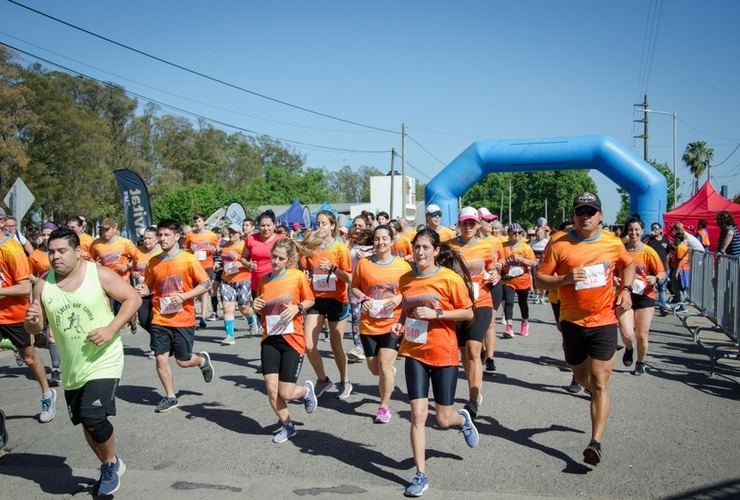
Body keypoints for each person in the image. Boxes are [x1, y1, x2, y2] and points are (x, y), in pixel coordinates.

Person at [24, 227, 141, 495]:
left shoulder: (97, 273)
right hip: (72, 366)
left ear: (77, 252)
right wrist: (31, 322)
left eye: (61, 251)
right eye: (50, 251)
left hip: (104, 358)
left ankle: (109, 465)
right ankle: (110, 462)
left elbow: (132, 298)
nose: (55, 257)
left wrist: (111, 329)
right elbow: (35, 329)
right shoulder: (43, 285)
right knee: (85, 421)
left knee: (93, 415)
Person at [537, 192, 635, 466]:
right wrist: (565, 278)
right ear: (573, 215)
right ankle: (592, 393)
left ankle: (595, 443)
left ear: (600, 215)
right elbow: (540, 281)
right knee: (582, 379)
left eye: (591, 211)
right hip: (572, 322)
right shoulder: (560, 244)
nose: (586, 216)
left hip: (604, 321)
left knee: (601, 382)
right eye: (581, 211)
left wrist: (626, 289)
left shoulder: (613, 243)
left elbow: (629, 264)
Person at [391, 229, 479, 496]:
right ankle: (420, 474)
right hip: (414, 352)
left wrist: (437, 313)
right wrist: (399, 325)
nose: (420, 252)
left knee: (442, 419)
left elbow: (468, 313)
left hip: (444, 354)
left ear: (436, 250)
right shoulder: (406, 278)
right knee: (418, 415)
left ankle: (461, 419)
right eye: (417, 247)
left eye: (426, 247)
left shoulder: (449, 278)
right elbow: (407, 310)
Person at [134, 219, 215, 413]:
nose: (162, 239)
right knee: (160, 358)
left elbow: (206, 284)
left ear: (177, 236)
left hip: (183, 318)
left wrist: (184, 296)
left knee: (183, 360)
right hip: (160, 317)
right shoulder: (153, 262)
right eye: (160, 235)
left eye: (166, 235)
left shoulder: (188, 259)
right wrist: (144, 289)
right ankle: (170, 396)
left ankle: (202, 361)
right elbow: (151, 286)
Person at [252, 238, 317, 443]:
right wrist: (256, 305)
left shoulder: (297, 276)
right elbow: (261, 307)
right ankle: (288, 425)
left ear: (289, 260)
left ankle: (306, 391)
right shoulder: (264, 280)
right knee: (271, 388)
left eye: (280, 258)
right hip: (270, 337)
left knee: (286, 393)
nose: (275, 261)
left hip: (293, 338)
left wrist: (297, 308)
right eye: (273, 257)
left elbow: (310, 300)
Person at [351, 225, 411, 423]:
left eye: (385, 238)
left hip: (393, 324)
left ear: (392, 241)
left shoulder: (403, 266)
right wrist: (363, 299)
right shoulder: (364, 264)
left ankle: (384, 406)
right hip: (369, 324)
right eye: (377, 239)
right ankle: (387, 374)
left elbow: (412, 289)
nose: (381, 242)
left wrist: (400, 297)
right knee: (374, 369)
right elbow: (355, 288)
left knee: (384, 366)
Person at [2, 226, 57, 424]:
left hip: (14, 315)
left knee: (29, 358)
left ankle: (47, 394)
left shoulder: (12, 250)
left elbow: (25, 287)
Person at [299, 210, 353, 399]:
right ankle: (323, 380)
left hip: (337, 300)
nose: (320, 227)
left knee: (335, 344)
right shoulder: (310, 248)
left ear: (332, 226)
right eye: (317, 223)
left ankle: (345, 381)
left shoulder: (340, 249)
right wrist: (305, 275)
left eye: (323, 223)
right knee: (308, 345)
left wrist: (333, 268)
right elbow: (305, 269)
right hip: (316, 299)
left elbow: (349, 277)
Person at [448, 207, 496, 418]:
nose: (468, 227)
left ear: (478, 224)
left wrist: (493, 274)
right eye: (464, 223)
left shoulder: (486, 246)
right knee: (463, 352)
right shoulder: (448, 247)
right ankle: (472, 386)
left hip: (481, 301)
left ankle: (473, 399)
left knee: (474, 350)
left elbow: (492, 269)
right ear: (459, 224)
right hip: (458, 305)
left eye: (472, 223)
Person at [617, 215, 666, 375]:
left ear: (642, 231)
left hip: (645, 295)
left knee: (642, 335)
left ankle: (640, 362)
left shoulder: (648, 251)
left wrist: (655, 278)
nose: (633, 233)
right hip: (625, 294)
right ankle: (629, 348)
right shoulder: (620, 249)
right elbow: (610, 269)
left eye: (637, 230)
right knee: (626, 332)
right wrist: (614, 278)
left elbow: (662, 272)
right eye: (630, 230)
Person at [241, 210, 285, 335]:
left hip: (278, 283)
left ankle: (280, 342)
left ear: (274, 225)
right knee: (263, 316)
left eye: (268, 225)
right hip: (258, 284)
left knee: (278, 316)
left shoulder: (281, 239)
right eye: (262, 225)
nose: (265, 228)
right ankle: (269, 340)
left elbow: (291, 259)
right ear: (257, 226)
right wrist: (248, 264)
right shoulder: (251, 239)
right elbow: (243, 258)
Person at [476, 208, 505, 372]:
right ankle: (479, 351)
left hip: (494, 283)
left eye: (492, 220)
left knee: (491, 323)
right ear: (479, 222)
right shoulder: (471, 241)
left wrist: (499, 265)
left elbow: (501, 258)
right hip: (477, 286)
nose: (492, 223)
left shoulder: (496, 241)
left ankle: (490, 358)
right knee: (478, 321)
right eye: (488, 220)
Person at [182, 214, 220, 328]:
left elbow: (217, 249)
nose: (197, 223)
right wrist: (190, 249)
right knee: (193, 291)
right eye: (196, 221)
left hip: (207, 265)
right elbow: (183, 250)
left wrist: (213, 250)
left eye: (199, 221)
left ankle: (203, 317)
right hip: (193, 266)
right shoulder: (190, 235)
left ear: (204, 222)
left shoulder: (212, 235)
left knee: (204, 290)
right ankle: (191, 314)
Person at [219, 223, 253, 345]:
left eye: (234, 232)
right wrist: (219, 265)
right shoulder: (225, 245)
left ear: (240, 234)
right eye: (230, 231)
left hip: (243, 279)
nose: (231, 234)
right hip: (227, 279)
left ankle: (251, 319)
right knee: (227, 308)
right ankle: (230, 336)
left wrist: (241, 264)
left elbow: (251, 262)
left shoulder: (244, 245)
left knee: (244, 308)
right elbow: (224, 260)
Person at [501, 223, 537, 338]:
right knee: (509, 302)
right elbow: (498, 259)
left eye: (519, 233)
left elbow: (533, 263)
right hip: (508, 279)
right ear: (509, 234)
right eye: (514, 233)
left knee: (522, 303)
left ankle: (524, 322)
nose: (517, 235)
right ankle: (509, 327)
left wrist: (521, 259)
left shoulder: (526, 247)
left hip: (522, 279)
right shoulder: (503, 247)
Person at [131, 226, 161, 357]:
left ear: (157, 239)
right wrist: (135, 274)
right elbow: (132, 269)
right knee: (143, 321)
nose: (146, 241)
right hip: (141, 291)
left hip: (157, 292)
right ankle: (161, 338)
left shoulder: (161, 252)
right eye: (144, 238)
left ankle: (155, 346)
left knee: (154, 320)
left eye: (149, 238)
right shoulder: (138, 251)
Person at [347, 215, 373, 361]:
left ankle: (372, 346)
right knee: (356, 317)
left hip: (370, 285)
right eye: (355, 225)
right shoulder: (350, 243)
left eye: (360, 226)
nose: (357, 228)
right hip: (354, 285)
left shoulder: (374, 244)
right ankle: (358, 347)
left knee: (370, 316)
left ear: (367, 227)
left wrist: (365, 258)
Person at [642, 222, 671, 316]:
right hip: (650, 268)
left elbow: (668, 254)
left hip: (661, 268)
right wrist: (649, 236)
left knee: (662, 288)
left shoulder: (665, 241)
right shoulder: (650, 240)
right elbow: (641, 245)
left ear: (660, 229)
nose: (654, 230)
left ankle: (663, 307)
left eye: (656, 228)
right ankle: (647, 305)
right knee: (649, 287)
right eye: (653, 228)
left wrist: (667, 266)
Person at [669, 231, 690, 311]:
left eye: (675, 239)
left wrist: (677, 271)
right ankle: (682, 304)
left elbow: (680, 260)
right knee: (681, 288)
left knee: (677, 287)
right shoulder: (682, 246)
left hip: (681, 269)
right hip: (683, 268)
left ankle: (682, 305)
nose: (674, 240)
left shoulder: (680, 247)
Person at [529, 226, 550, 304]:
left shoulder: (547, 242)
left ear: (544, 234)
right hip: (534, 263)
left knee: (543, 279)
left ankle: (542, 296)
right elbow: (529, 253)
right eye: (538, 233)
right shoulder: (532, 242)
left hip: (543, 263)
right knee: (535, 279)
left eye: (541, 233)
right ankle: (536, 294)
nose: (539, 235)